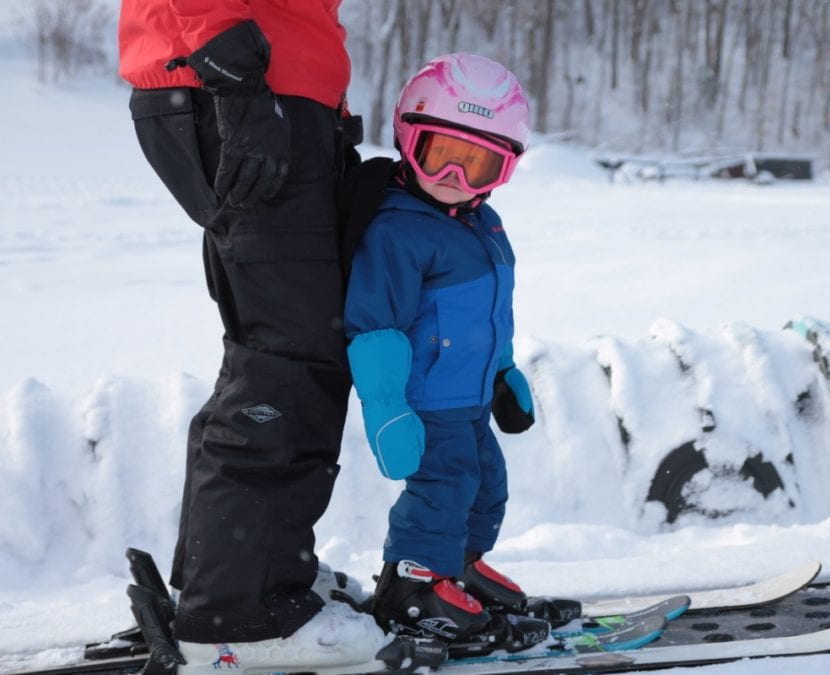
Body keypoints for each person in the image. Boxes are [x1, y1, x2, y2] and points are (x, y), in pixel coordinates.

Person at [117, 2, 383, 672]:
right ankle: (239, 608)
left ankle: (242, 572)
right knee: (291, 357)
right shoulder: (235, 74)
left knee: (276, 347)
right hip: (238, 85)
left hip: (269, 93)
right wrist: (234, 75)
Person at [343, 54, 548, 647]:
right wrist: (387, 406)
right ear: (410, 139)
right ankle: (410, 587)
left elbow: (489, 312)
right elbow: (374, 326)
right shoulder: (396, 231)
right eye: (441, 154)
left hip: (470, 396)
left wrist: (504, 372)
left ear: (503, 170)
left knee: (485, 484)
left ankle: (457, 569)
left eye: (478, 163)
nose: (454, 176)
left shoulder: (484, 225)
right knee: (444, 488)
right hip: (427, 401)